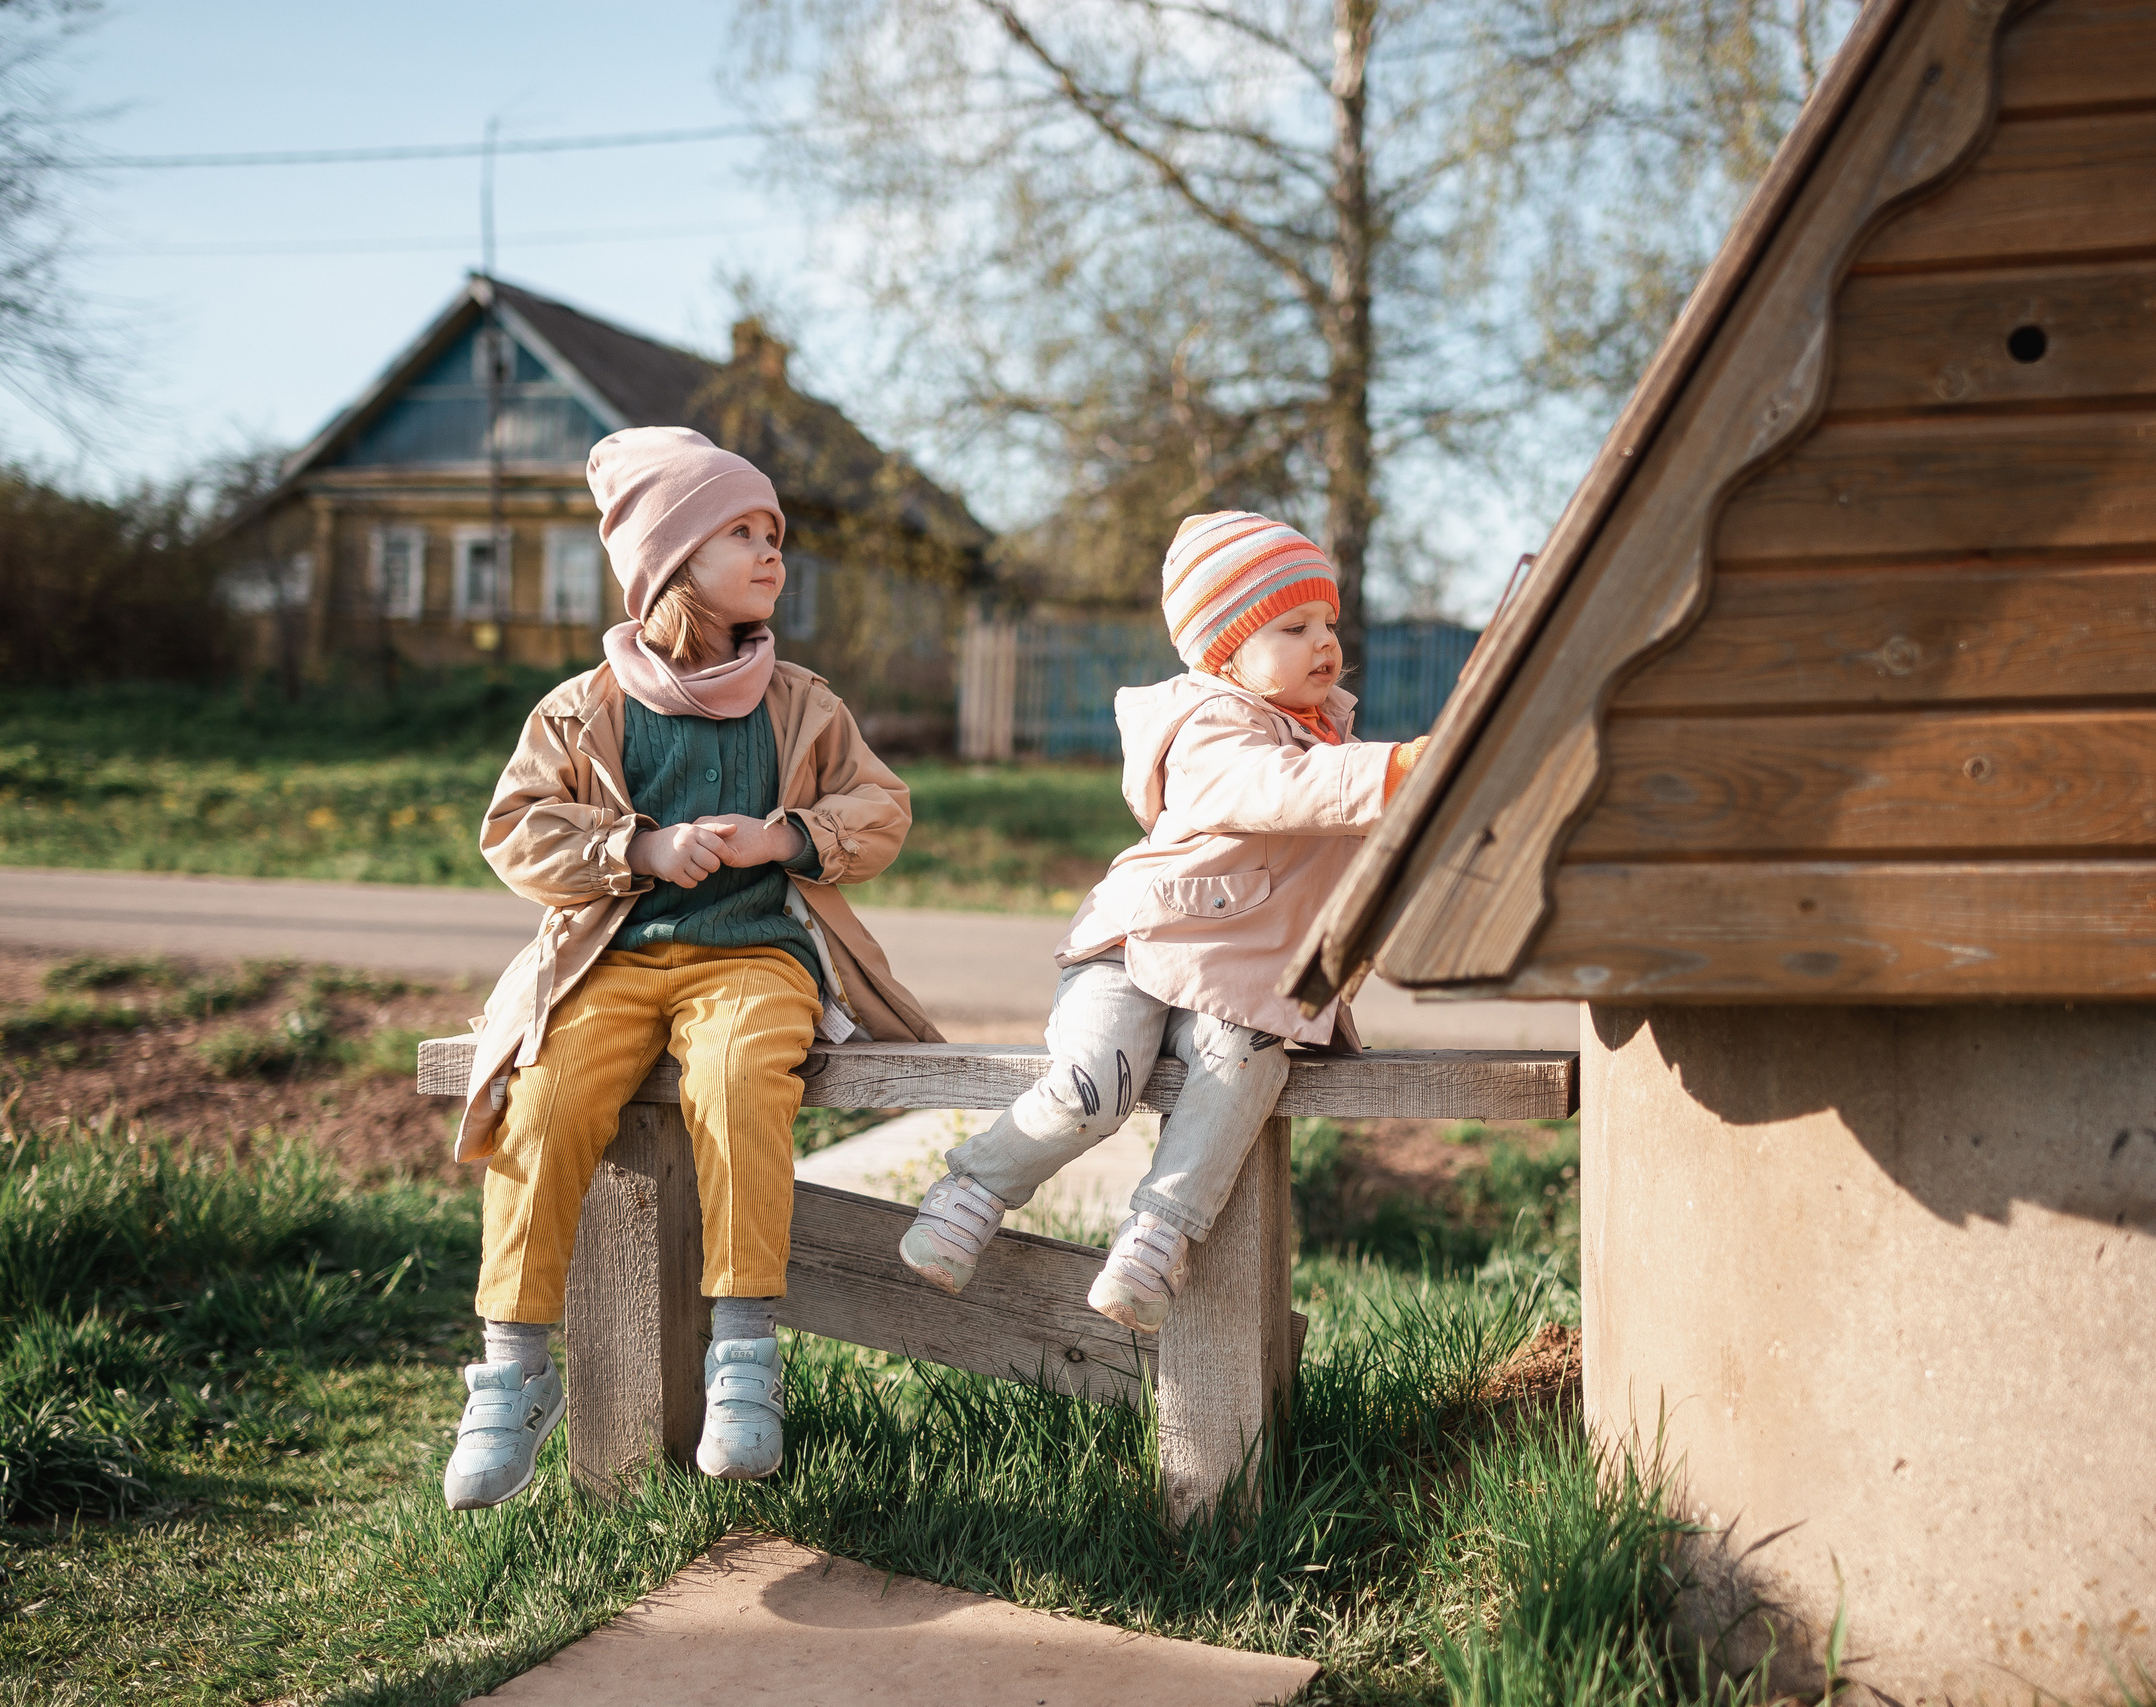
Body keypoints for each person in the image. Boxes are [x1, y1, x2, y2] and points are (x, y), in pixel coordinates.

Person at [442, 426, 941, 1511]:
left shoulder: (801, 701)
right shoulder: (584, 708)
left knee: (737, 1085)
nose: (773, 553)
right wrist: (635, 851)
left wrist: (790, 837)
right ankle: (513, 1371)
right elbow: (515, 828)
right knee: (551, 1099)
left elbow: (883, 807)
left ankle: (743, 1356)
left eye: (774, 534)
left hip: (754, 957)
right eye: (742, 533)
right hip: (609, 960)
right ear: (669, 563)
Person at [899, 511, 1426, 1331]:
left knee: (1246, 1061)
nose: (1324, 643)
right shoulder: (1208, 722)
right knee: (1095, 1082)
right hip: (1136, 950)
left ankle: (1157, 1235)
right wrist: (1394, 770)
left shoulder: (1330, 737)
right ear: (1226, 652)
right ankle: (976, 1187)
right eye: (1293, 626)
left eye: (1328, 622)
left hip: (1233, 979)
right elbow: (1278, 788)